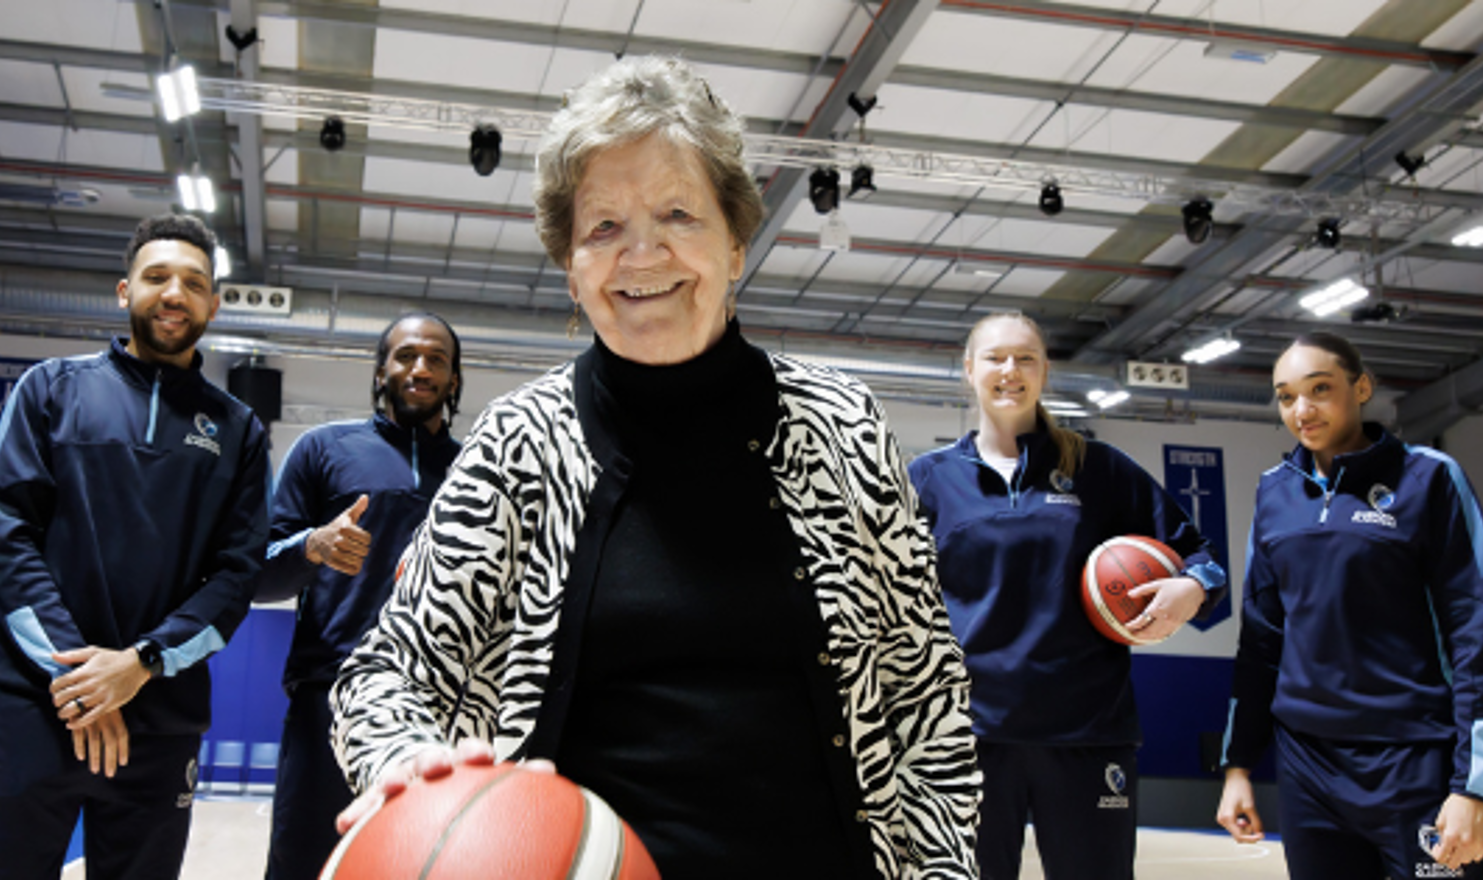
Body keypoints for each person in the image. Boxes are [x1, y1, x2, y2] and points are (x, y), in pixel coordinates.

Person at [329, 56, 979, 879]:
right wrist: (408, 763)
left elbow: (928, 697)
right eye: (602, 227)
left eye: (679, 213)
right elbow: (387, 670)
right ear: (571, 268)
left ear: (738, 243)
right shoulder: (519, 442)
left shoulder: (843, 427)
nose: (642, 254)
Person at [0, 213, 271, 880]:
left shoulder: (240, 431)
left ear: (213, 303)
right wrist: (81, 682)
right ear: (124, 291)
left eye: (193, 282)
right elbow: (6, 535)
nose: (174, 294)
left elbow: (235, 575)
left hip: (160, 721)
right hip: (37, 710)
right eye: (156, 276)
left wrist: (141, 665)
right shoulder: (49, 389)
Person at [906, 310, 1227, 880]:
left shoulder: (1097, 469)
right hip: (965, 739)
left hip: (1087, 734)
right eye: (995, 358)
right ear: (968, 369)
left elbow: (1201, 558)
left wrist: (1190, 586)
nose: (1011, 370)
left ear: (1045, 370)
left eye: (1025, 358)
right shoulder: (928, 480)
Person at [1217, 331, 1483, 879]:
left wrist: (1472, 786)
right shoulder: (1275, 492)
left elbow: (1473, 628)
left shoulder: (1429, 477)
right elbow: (1261, 639)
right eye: (1286, 396)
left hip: (1416, 759)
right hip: (1308, 767)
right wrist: (1237, 766)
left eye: (1320, 389)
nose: (1302, 410)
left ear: (1361, 387)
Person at [257, 312, 465, 880]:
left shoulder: (474, 470)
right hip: (329, 696)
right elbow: (258, 576)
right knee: (304, 865)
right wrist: (313, 545)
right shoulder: (323, 449)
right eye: (405, 356)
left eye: (436, 359)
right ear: (380, 371)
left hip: (440, 706)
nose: (419, 369)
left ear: (453, 379)